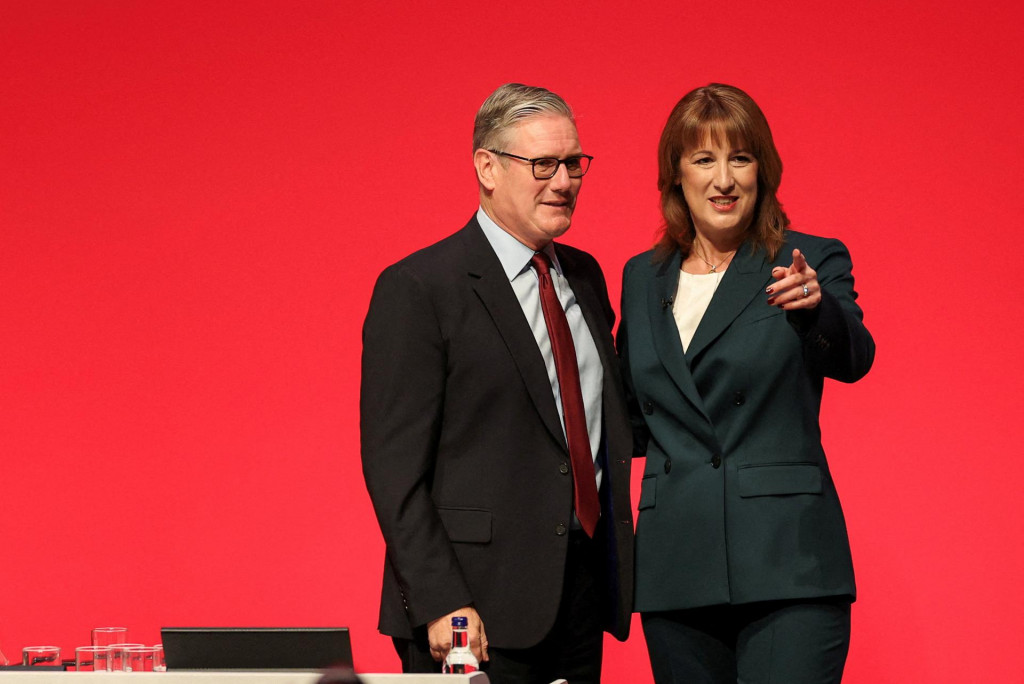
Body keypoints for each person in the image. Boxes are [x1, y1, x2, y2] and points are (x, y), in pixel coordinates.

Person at [361, 83, 634, 684]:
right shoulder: (420, 288)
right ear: (487, 166)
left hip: (579, 602)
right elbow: (394, 469)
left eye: (573, 164)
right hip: (469, 619)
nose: (563, 181)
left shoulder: (585, 277)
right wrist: (440, 601)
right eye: (542, 164)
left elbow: (604, 428)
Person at [617, 83, 875, 684]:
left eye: (740, 157)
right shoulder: (641, 277)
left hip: (788, 562)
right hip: (677, 564)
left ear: (764, 169)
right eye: (703, 160)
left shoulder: (806, 258)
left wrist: (816, 309)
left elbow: (855, 355)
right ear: (676, 175)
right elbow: (632, 415)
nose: (723, 179)